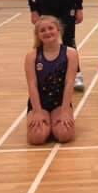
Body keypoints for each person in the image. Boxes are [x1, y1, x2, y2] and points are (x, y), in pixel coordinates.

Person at [25, 15, 79, 145]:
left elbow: (69, 83)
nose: (47, 32)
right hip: (40, 103)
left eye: (51, 28)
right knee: (36, 138)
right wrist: (37, 111)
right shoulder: (32, 56)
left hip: (60, 103)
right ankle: (45, 122)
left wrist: (65, 110)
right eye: (42, 30)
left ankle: (52, 122)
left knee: (64, 135)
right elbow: (32, 85)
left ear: (58, 30)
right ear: (37, 35)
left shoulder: (70, 53)